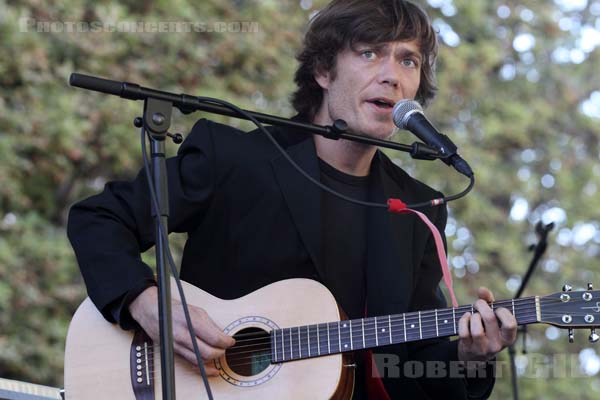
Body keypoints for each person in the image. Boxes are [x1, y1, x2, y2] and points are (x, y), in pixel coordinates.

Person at [67, 0, 517, 398]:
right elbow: (99, 218)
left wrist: (470, 356)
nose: (392, 76)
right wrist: (150, 306)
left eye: (408, 60)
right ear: (323, 71)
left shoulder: (419, 208)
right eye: (369, 53)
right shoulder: (235, 158)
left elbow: (411, 366)